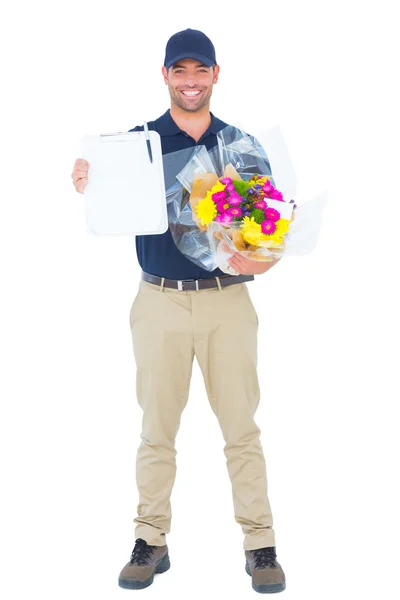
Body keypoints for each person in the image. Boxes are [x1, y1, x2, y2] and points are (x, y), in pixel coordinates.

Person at [71, 28, 286, 594]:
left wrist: (258, 256)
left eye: (200, 71)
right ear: (164, 76)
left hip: (228, 304)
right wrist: (88, 181)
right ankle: (151, 539)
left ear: (217, 75)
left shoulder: (240, 146)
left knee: (242, 429)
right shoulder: (136, 144)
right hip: (158, 300)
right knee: (156, 430)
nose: (190, 82)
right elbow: (106, 203)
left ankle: (260, 544)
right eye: (180, 72)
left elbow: (268, 237)